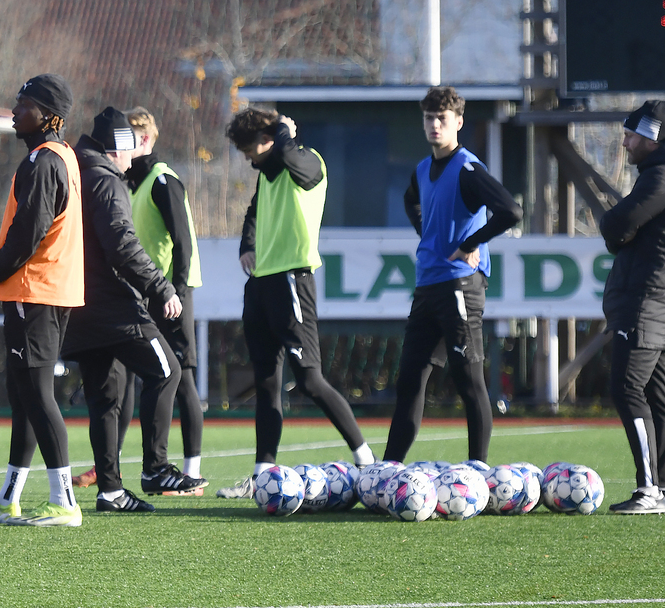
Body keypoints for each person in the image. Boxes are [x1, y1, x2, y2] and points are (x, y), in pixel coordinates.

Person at [214, 109, 373, 499]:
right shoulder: (269, 174)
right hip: (261, 285)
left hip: (292, 282)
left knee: (309, 380)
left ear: (270, 139)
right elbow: (253, 212)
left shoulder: (308, 162)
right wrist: (247, 245)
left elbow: (288, 157)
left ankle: (368, 462)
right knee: (267, 382)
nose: (247, 158)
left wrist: (284, 131)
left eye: (250, 148)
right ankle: (261, 476)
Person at [0, 74, 86, 527]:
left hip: (33, 291)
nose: (16, 112)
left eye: (25, 105)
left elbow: (25, 238)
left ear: (49, 115)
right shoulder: (60, 156)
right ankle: (9, 497)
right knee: (25, 397)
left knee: (37, 395)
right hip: (46, 291)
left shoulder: (43, 162)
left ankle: (64, 502)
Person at [381, 86, 521, 467]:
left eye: (442, 118)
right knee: (410, 381)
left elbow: (510, 211)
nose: (434, 125)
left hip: (460, 284)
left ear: (458, 122)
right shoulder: (422, 169)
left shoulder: (467, 168)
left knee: (468, 379)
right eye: (429, 118)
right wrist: (426, 232)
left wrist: (471, 242)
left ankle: (478, 470)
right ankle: (388, 470)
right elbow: (411, 200)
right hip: (427, 286)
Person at [65, 108, 180, 515]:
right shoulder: (106, 180)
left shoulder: (74, 173)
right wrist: (161, 287)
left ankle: (110, 491)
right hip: (112, 306)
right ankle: (155, 469)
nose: (131, 162)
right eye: (129, 152)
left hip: (77, 306)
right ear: (115, 149)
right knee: (167, 371)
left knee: (105, 400)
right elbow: (122, 246)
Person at [600, 100, 665, 516]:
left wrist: (618, 234)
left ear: (652, 138)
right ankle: (663, 490)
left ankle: (649, 490)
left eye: (631, 135)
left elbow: (614, 225)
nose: (625, 142)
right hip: (660, 304)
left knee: (627, 388)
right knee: (657, 395)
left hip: (646, 303)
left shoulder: (662, 178)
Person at [123, 106, 208, 495]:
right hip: (147, 294)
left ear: (146, 138)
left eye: (130, 137)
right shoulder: (135, 184)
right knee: (144, 378)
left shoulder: (162, 180)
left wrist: (176, 291)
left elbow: (183, 242)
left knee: (182, 377)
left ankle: (192, 472)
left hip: (171, 295)